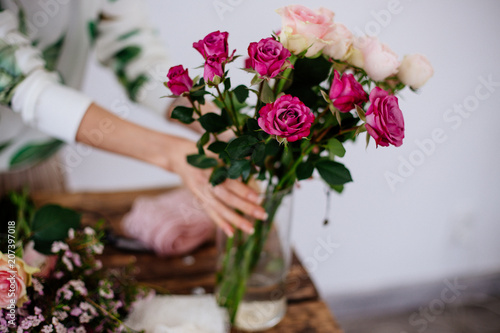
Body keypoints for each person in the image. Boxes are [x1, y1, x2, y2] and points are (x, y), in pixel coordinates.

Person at [0, 0, 265, 236]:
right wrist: (172, 153)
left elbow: (131, 46)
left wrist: (222, 123)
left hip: (38, 159)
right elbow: (23, 84)